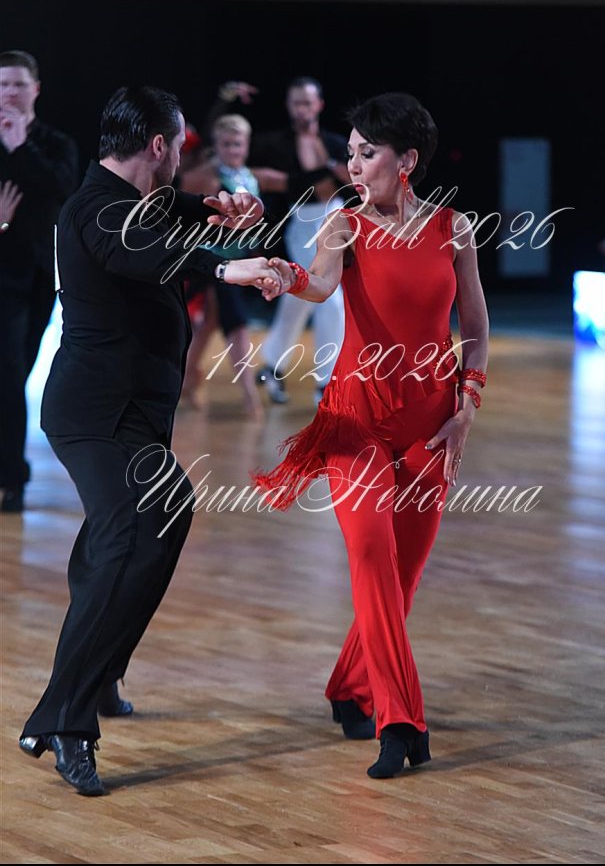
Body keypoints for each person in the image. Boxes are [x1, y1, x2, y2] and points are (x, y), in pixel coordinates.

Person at [18, 85, 280, 797]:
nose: (185, 157)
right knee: (135, 527)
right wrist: (223, 265)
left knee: (138, 529)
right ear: (159, 146)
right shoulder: (94, 210)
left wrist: (229, 212)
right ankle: (65, 720)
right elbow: (148, 251)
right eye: (182, 143)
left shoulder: (145, 201)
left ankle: (100, 672)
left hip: (133, 412)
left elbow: (188, 215)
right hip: (95, 415)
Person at [253, 92, 490, 779]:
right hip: (355, 421)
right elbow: (320, 286)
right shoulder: (343, 223)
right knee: (370, 557)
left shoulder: (454, 228)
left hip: (432, 426)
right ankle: (400, 720)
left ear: (406, 159)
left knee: (400, 581)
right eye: (350, 153)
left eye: (367, 153)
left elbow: (475, 330)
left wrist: (467, 408)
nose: (352, 165)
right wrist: (285, 276)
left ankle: (348, 686)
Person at [0, 50, 79, 513]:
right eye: (3, 84)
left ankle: (11, 468)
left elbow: (61, 187)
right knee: (8, 373)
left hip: (40, 275)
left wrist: (18, 148)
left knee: (17, 372)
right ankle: (11, 477)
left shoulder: (54, 142)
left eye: (18, 84)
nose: (10, 92)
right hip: (2, 276)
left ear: (36, 89)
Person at [249, 76, 350, 406]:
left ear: (319, 105)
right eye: (296, 102)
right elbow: (263, 179)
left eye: (307, 102)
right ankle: (323, 382)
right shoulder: (276, 144)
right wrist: (324, 175)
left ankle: (276, 366)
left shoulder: (335, 143)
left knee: (304, 298)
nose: (302, 109)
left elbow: (353, 180)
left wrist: (335, 174)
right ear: (288, 106)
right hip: (303, 223)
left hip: (337, 218)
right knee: (321, 297)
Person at [179, 114, 264, 417]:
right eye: (226, 144)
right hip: (209, 261)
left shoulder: (248, 176)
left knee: (210, 323)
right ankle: (250, 395)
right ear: (216, 145)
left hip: (234, 260)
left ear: (247, 144)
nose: (232, 149)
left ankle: (185, 382)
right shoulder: (207, 176)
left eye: (237, 143)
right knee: (235, 324)